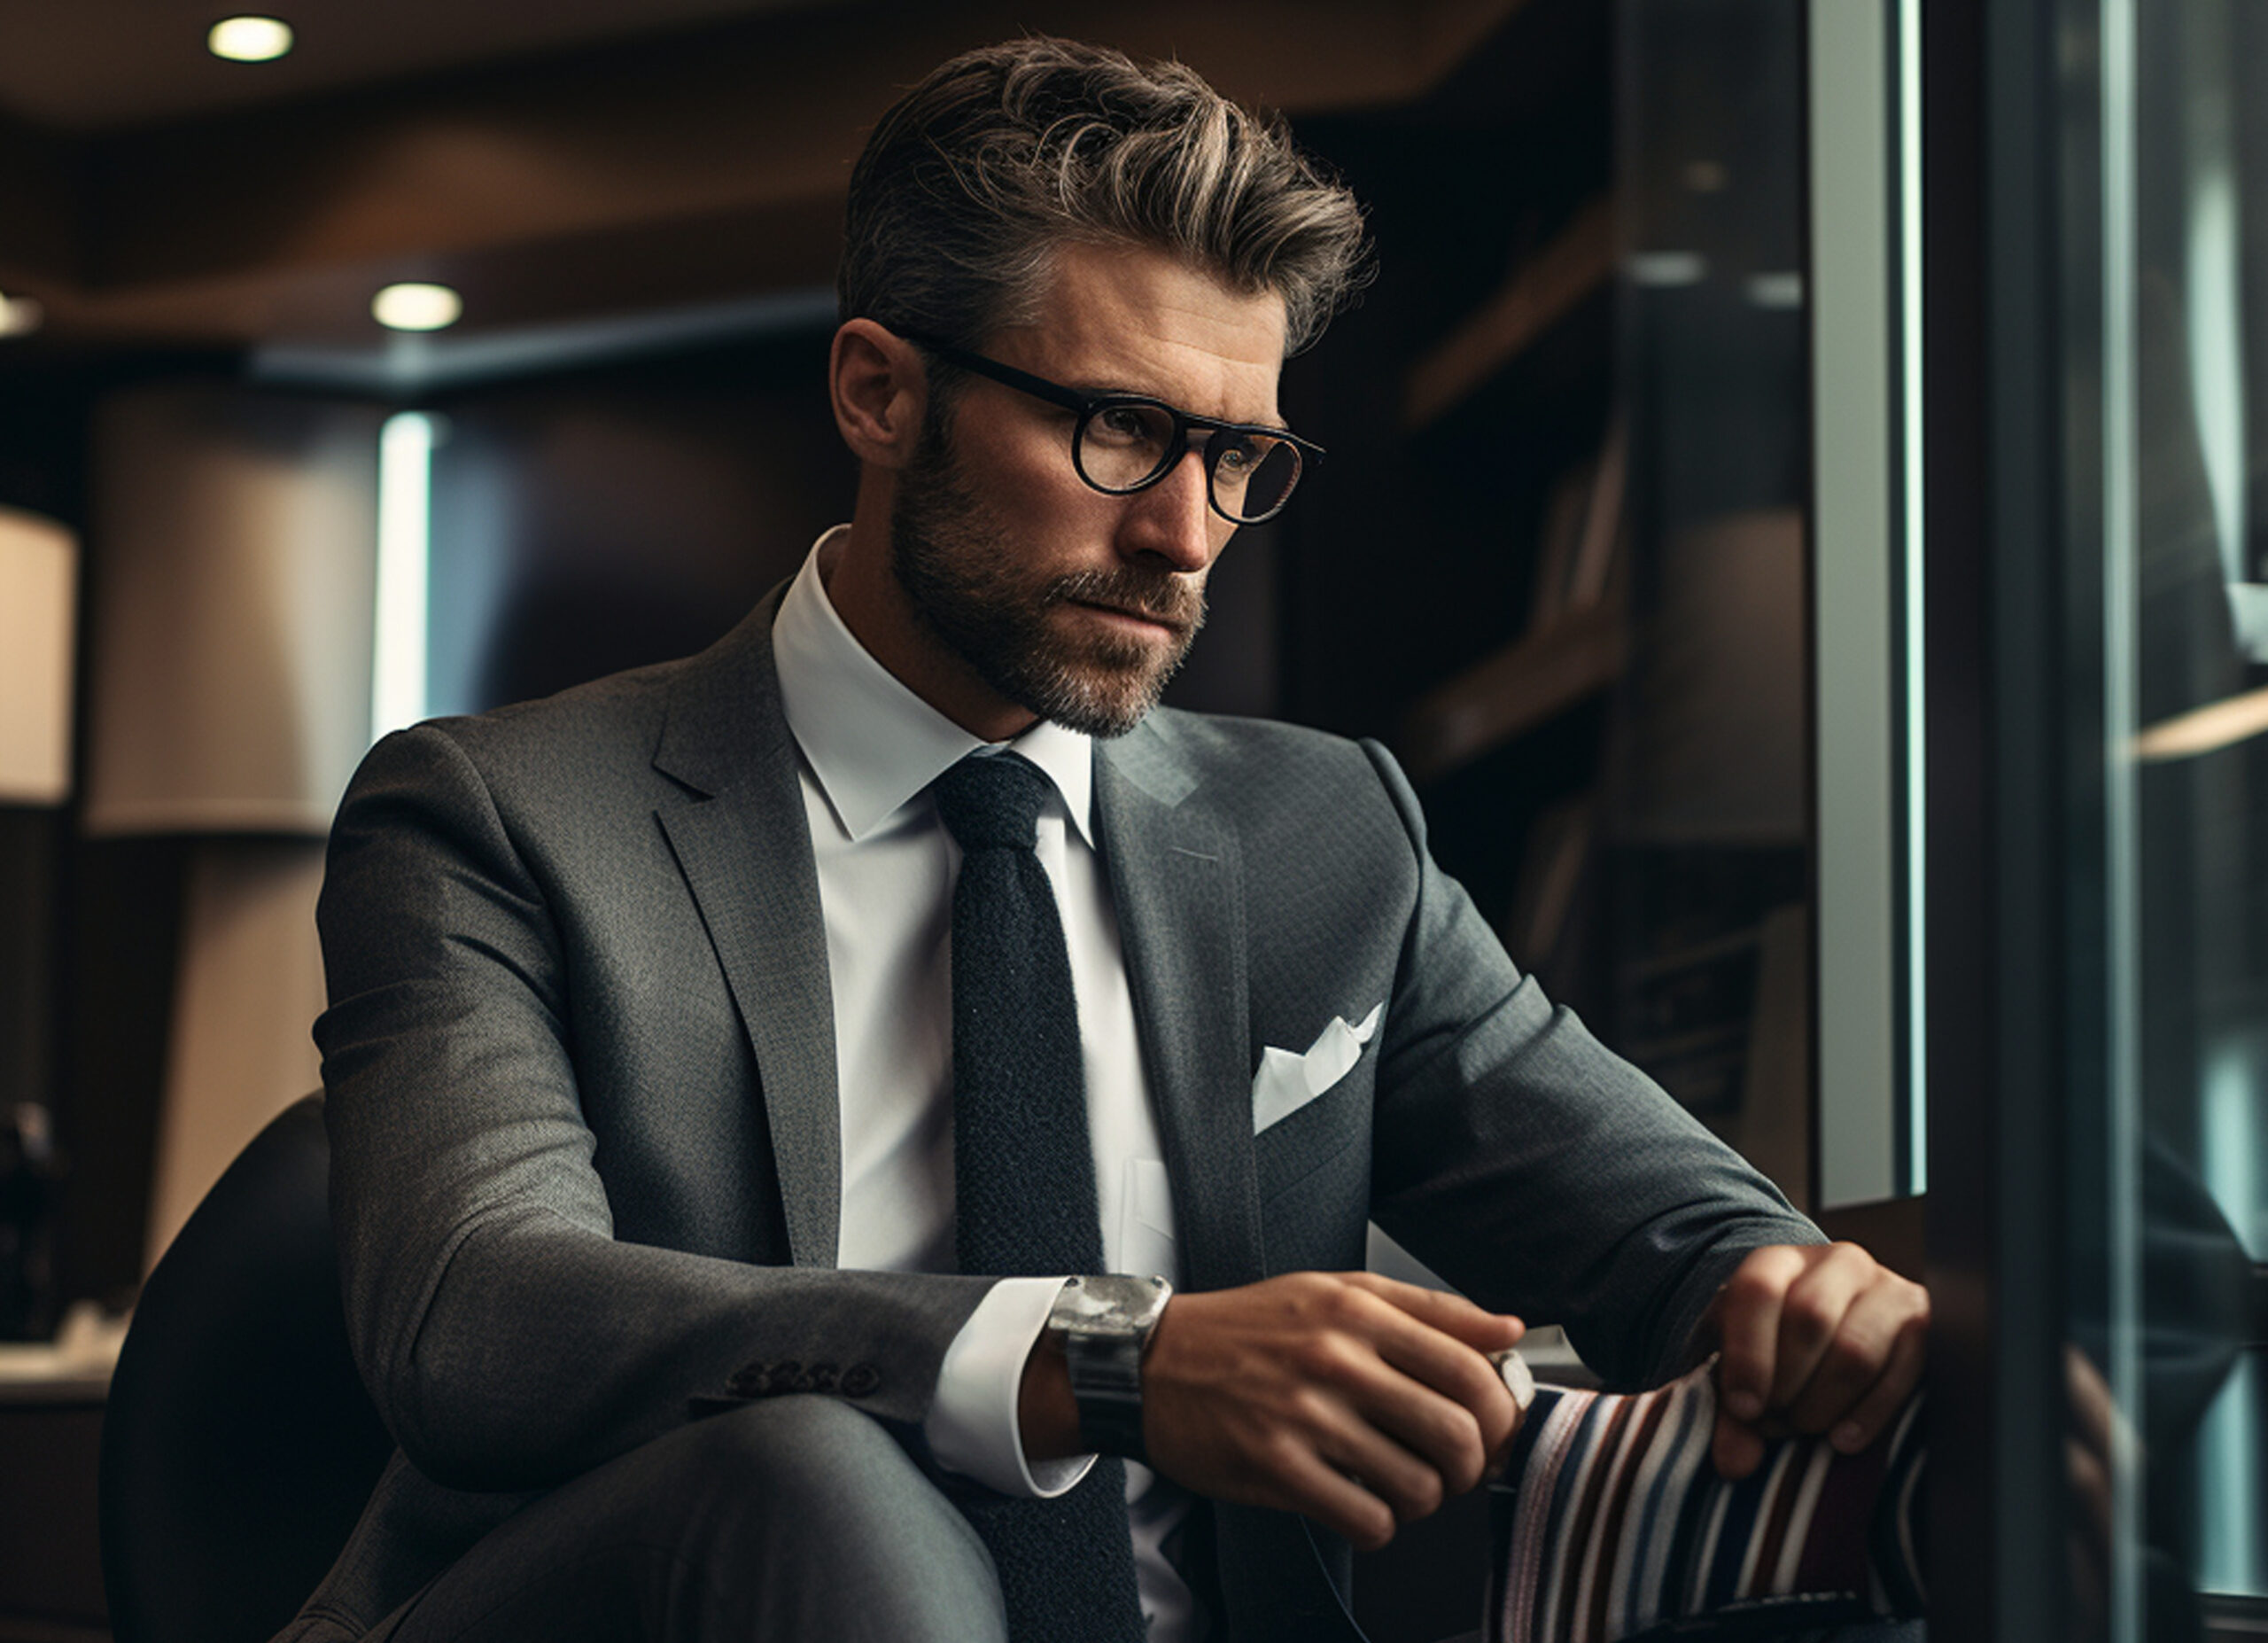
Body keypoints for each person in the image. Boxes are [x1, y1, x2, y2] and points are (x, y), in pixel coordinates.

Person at [283, 35, 1928, 1643]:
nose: (1184, 535)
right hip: (642, 1592)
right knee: (810, 1477)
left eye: (1239, 457)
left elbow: (1663, 1223)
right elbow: (480, 1319)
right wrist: (1103, 1354)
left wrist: (1787, 1292)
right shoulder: (500, 814)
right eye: (1120, 431)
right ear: (879, 392)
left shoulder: (1325, 833)